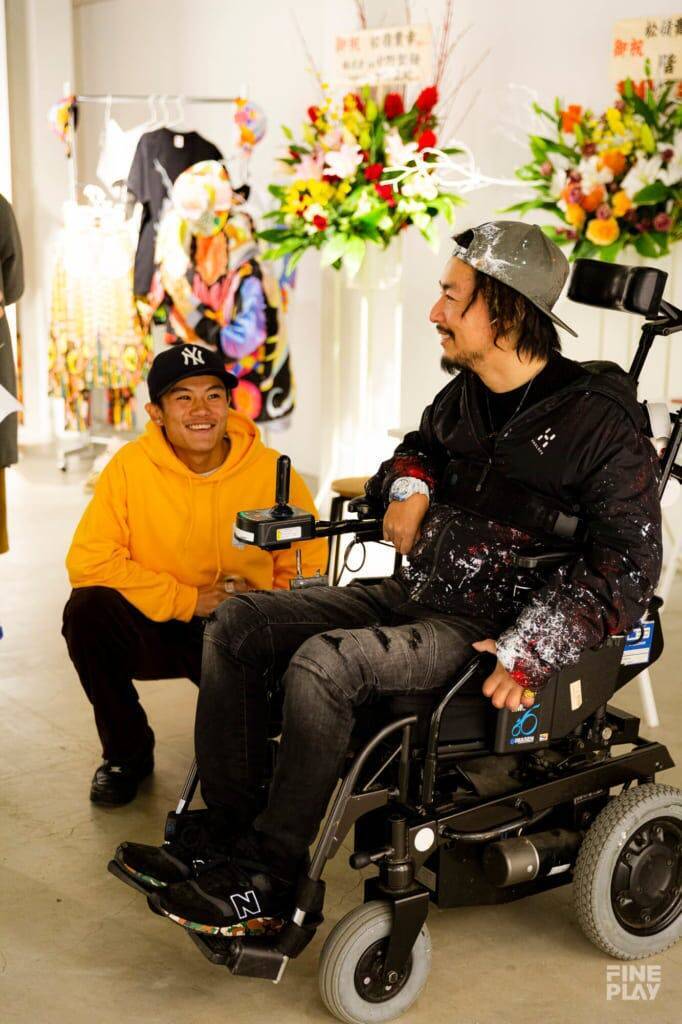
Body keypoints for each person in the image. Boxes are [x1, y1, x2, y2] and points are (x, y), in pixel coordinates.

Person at [115, 221, 662, 937]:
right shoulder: (465, 395)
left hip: (488, 628)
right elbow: (414, 453)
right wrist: (409, 486)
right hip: (417, 593)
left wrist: (533, 646)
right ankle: (225, 837)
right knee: (239, 623)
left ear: (504, 311)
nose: (436, 311)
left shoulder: (600, 422)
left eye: (452, 297)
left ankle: (271, 880)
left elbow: (628, 564)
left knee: (325, 664)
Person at [63, 343, 326, 805]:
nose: (201, 410)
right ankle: (127, 753)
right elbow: (87, 560)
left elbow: (308, 566)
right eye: (183, 397)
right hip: (160, 619)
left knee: (252, 767)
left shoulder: (272, 471)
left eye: (213, 395)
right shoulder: (129, 467)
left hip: (241, 627)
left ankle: (253, 744)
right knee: (86, 612)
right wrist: (189, 598)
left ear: (229, 404)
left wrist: (261, 606)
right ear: (157, 413)